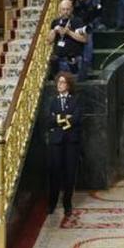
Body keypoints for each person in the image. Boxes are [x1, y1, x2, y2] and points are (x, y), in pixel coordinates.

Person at [46, 72, 82, 217]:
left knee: (70, 174)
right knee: (54, 172)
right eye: (58, 82)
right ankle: (52, 203)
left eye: (63, 82)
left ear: (68, 85)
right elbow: (48, 119)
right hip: (56, 142)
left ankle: (67, 203)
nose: (60, 85)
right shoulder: (52, 101)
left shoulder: (76, 100)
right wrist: (65, 118)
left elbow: (77, 118)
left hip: (71, 142)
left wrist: (58, 119)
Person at [48, 0, 88, 78]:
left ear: (72, 9)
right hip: (58, 60)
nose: (65, 12)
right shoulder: (55, 22)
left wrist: (69, 32)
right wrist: (54, 31)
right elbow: (49, 41)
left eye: (68, 9)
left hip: (73, 60)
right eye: (63, 9)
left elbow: (84, 39)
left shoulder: (77, 21)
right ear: (59, 10)